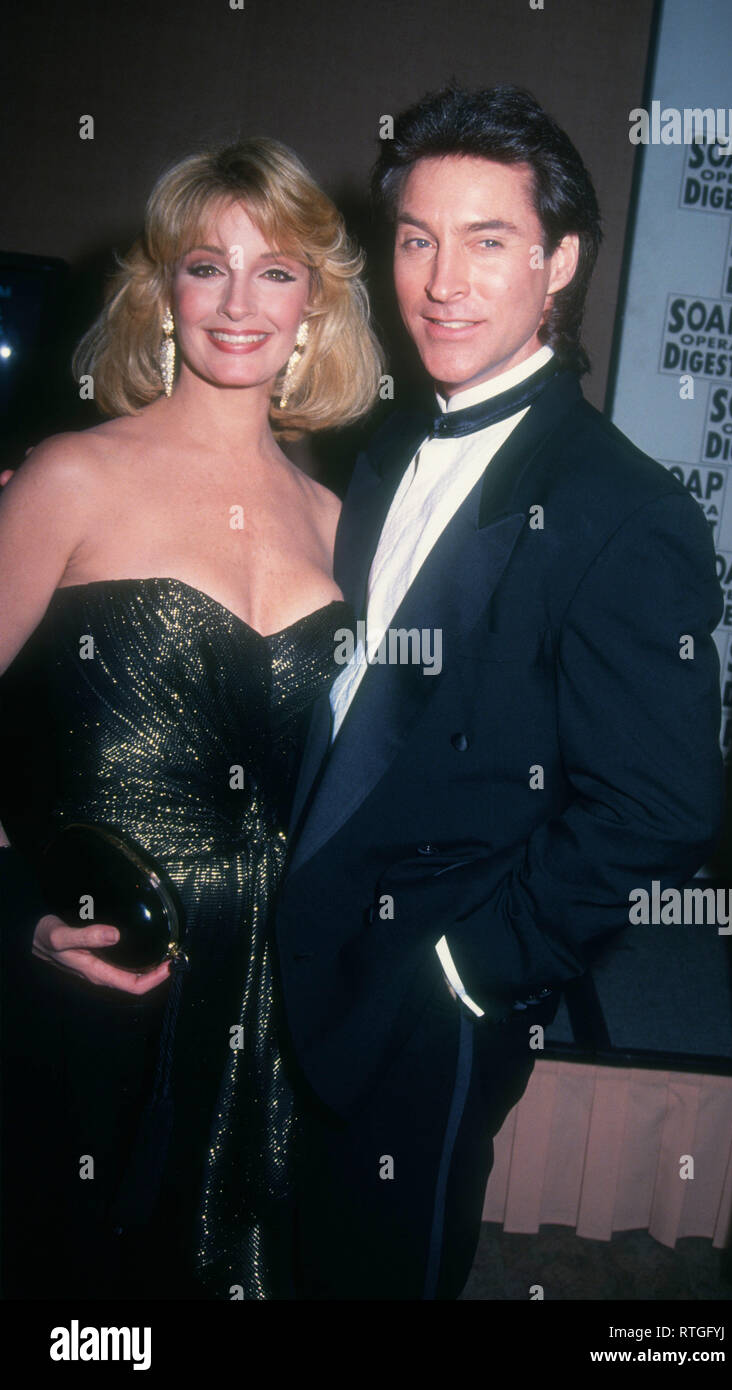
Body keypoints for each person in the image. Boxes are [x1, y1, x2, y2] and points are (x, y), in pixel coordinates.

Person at [272, 85, 726, 1299]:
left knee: (378, 1275)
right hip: (307, 946)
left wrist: (475, 967)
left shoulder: (626, 510)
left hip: (437, 992)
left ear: (560, 260)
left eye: (488, 241)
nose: (441, 281)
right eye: (416, 238)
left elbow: (663, 805)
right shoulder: (379, 453)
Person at [0, 136, 381, 1299]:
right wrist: (15, 913)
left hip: (273, 983)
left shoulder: (338, 524)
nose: (237, 300)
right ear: (162, 290)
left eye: (276, 272)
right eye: (206, 265)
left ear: (313, 308)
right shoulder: (70, 476)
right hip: (103, 966)